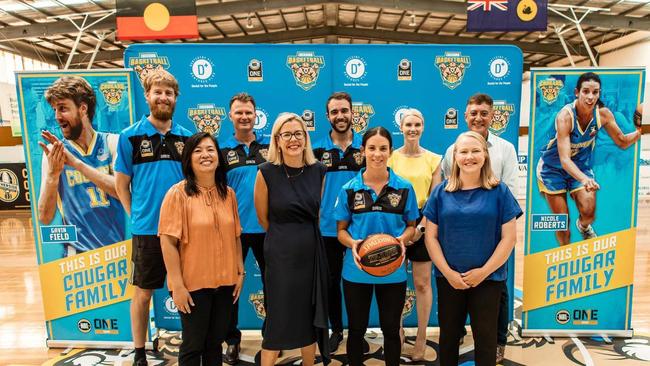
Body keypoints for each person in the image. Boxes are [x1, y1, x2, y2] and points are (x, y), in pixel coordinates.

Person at [114, 69, 193, 366]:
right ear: (147, 96)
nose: (163, 97)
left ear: (176, 99)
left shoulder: (187, 138)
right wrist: (137, 215)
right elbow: (121, 185)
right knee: (143, 293)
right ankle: (139, 351)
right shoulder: (129, 137)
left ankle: (192, 346)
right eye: (157, 92)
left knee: (186, 289)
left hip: (183, 230)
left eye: (169, 93)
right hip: (147, 230)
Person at [423, 131, 522, 366]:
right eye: (464, 152)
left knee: (486, 340)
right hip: (449, 279)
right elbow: (431, 238)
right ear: (455, 156)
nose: (470, 157)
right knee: (447, 339)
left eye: (475, 151)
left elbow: (509, 239)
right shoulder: (440, 192)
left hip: (488, 279)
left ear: (485, 155)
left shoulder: (500, 192)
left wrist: (483, 272)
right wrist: (448, 273)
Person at [441, 93, 518, 362]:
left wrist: (486, 268)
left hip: (491, 255)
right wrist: (448, 271)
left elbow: (510, 217)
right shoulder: (447, 176)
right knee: (449, 334)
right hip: (452, 272)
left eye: (484, 113)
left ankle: (499, 342)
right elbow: (437, 226)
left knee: (488, 330)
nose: (469, 157)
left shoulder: (505, 154)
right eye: (473, 112)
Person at [335, 127, 419, 366]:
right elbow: (341, 231)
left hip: (393, 271)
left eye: (383, 148)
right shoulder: (349, 189)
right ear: (363, 151)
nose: (377, 154)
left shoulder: (404, 187)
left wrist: (401, 240)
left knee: (391, 330)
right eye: (371, 148)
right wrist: (353, 243)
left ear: (390, 152)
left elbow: (412, 226)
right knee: (357, 330)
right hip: (356, 270)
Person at [158, 132, 244, 365]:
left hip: (226, 284)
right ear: (188, 158)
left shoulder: (229, 194)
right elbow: (167, 242)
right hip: (192, 286)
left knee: (214, 343)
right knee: (193, 345)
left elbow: (236, 235)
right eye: (198, 150)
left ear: (218, 155)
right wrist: (177, 285)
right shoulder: (177, 194)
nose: (205, 155)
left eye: (210, 149)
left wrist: (239, 271)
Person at [253, 113, 329, 366]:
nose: (293, 139)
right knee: (279, 316)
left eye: (299, 133)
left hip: (310, 252)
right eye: (287, 134)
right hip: (280, 252)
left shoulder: (319, 171)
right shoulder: (265, 172)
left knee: (308, 314)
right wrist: (285, 234)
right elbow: (264, 218)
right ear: (277, 139)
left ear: (306, 138)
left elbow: (318, 214)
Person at [537, 72, 642, 245]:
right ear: (577, 92)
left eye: (595, 92)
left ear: (600, 93)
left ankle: (584, 227)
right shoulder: (565, 117)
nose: (590, 97)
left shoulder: (603, 115)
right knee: (563, 225)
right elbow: (564, 159)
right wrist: (585, 179)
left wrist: (639, 132)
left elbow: (622, 141)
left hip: (580, 166)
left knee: (589, 213)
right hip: (552, 169)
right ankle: (566, 257)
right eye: (586, 91)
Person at [38, 75, 125, 257]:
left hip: (117, 253)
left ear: (83, 109)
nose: (57, 116)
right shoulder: (53, 154)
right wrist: (53, 176)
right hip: (76, 261)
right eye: (54, 109)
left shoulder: (113, 144)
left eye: (62, 108)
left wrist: (77, 164)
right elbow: (45, 218)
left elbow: (124, 194)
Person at [387, 109, 441, 361]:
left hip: (423, 222)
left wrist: (420, 228)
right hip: (394, 222)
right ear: (401, 127)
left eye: (417, 124)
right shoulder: (390, 158)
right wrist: (402, 230)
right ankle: (395, 333)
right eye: (408, 124)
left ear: (423, 127)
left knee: (422, 284)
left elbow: (436, 199)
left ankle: (420, 337)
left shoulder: (433, 159)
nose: (413, 128)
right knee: (396, 285)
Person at [220, 93, 270, 364]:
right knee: (231, 289)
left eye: (248, 112)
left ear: (255, 114)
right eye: (238, 112)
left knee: (272, 285)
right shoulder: (221, 149)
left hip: (267, 228)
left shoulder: (271, 146)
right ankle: (231, 340)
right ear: (231, 116)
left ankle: (271, 337)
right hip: (234, 230)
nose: (244, 117)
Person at [312, 91, 364, 354]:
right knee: (331, 284)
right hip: (328, 229)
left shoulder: (365, 148)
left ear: (352, 113)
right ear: (327, 116)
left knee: (359, 284)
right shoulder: (317, 149)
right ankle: (337, 330)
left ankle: (358, 333)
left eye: (344, 110)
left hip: (360, 229)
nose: (340, 116)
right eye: (335, 112)